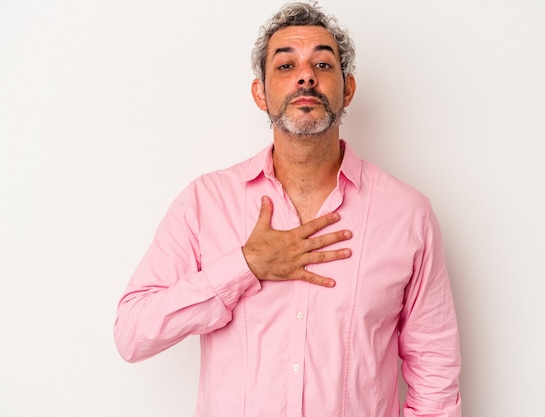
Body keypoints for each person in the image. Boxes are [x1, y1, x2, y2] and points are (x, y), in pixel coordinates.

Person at [114, 2, 462, 416]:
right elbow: (133, 333)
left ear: (347, 89)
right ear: (260, 92)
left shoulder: (408, 215)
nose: (305, 76)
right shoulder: (205, 203)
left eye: (323, 63)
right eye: (285, 66)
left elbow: (435, 375)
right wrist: (244, 267)